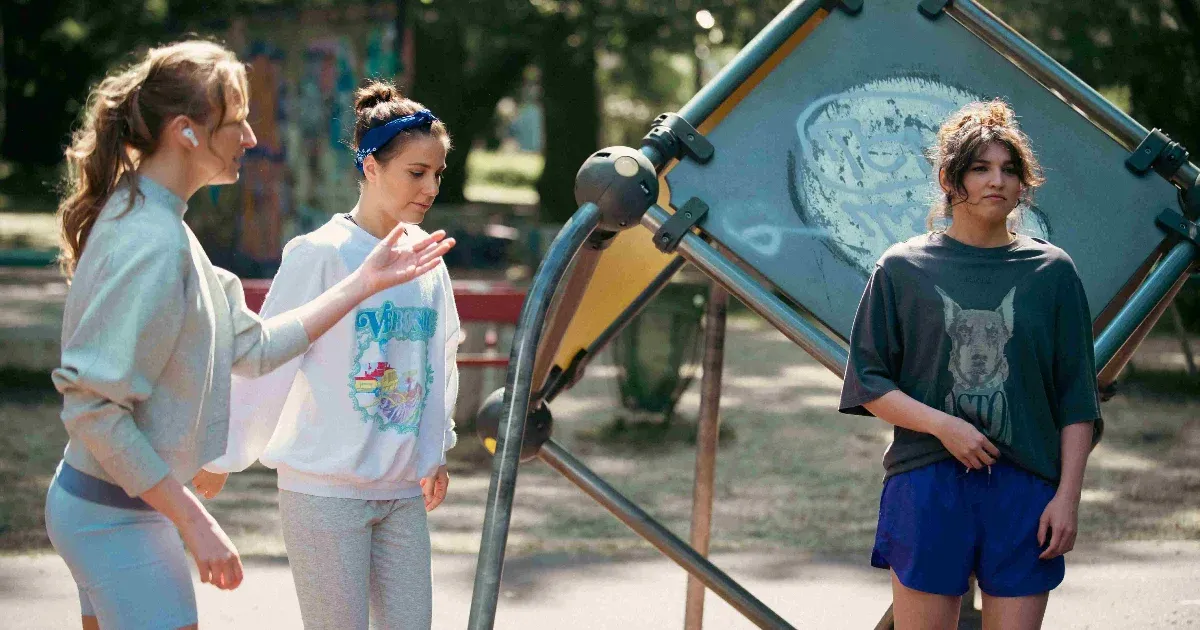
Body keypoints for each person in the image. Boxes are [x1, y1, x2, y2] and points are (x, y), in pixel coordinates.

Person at [43, 42, 454, 630]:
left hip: (117, 508)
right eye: (236, 121)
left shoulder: (163, 225)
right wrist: (195, 519)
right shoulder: (151, 241)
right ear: (186, 132)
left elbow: (254, 346)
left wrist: (362, 283)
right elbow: (92, 409)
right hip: (114, 514)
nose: (252, 137)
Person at [194, 79, 459, 630]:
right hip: (324, 492)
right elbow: (268, 358)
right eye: (416, 172)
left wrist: (436, 445)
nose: (430, 187)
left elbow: (440, 361)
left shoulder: (430, 261)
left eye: (438, 173)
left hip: (401, 493)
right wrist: (224, 455)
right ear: (370, 167)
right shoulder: (319, 254)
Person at [838, 99, 1101, 629]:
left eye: (1009, 170)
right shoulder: (903, 268)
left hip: (1026, 487)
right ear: (949, 178)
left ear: (1024, 184)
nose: (996, 181)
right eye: (980, 168)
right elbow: (868, 381)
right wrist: (944, 426)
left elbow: (1077, 396)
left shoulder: (1051, 271)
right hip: (927, 483)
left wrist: (1068, 498)